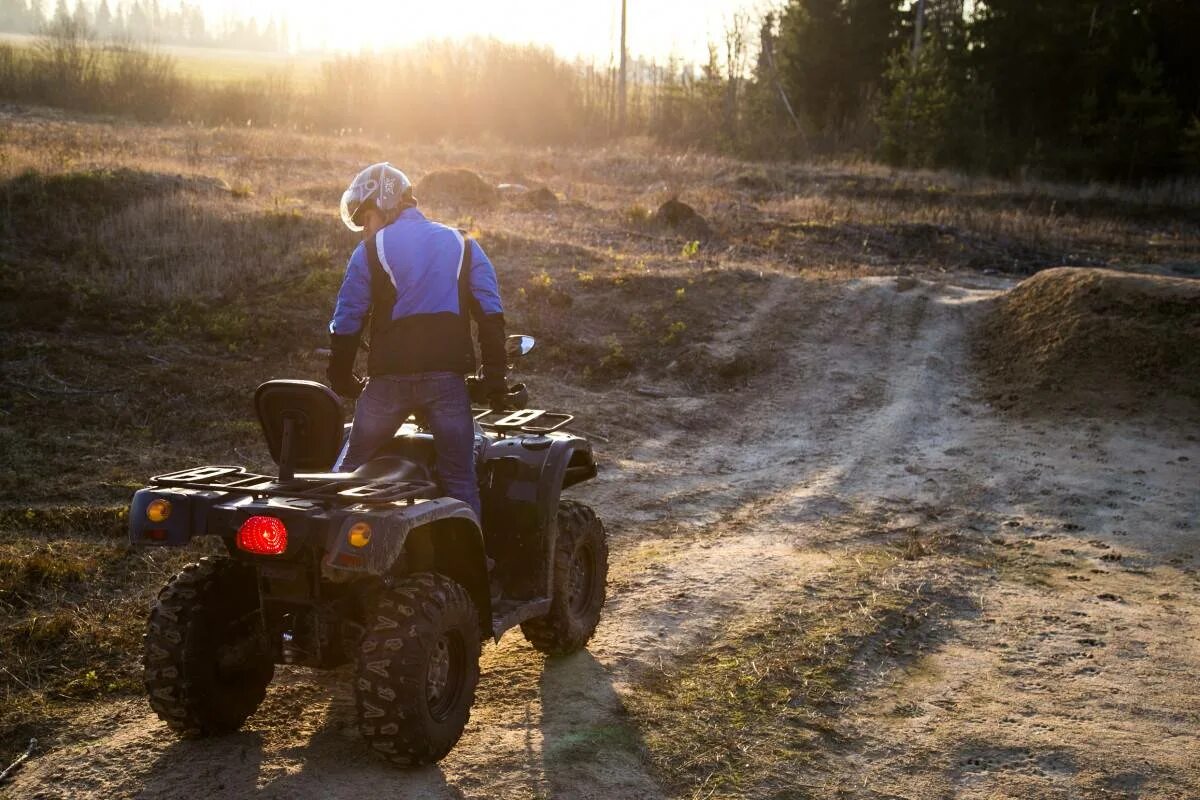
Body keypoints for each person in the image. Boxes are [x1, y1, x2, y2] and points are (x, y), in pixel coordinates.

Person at [326, 162, 507, 522]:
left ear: (386, 203)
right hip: (447, 384)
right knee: (459, 479)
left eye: (367, 218)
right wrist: (494, 379)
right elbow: (490, 314)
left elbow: (347, 320)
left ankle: (321, 553)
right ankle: (473, 568)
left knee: (347, 471)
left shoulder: (370, 251)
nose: (365, 230)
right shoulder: (463, 244)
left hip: (387, 383)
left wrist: (341, 377)